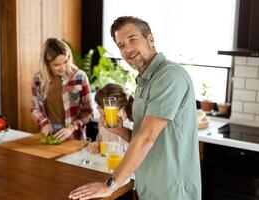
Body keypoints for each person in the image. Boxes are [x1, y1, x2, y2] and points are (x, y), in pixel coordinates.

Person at [69, 16, 201, 200]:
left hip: (171, 190)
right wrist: (120, 130)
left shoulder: (169, 76)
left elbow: (147, 138)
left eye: (132, 39)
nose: (128, 49)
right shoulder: (144, 82)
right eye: (121, 45)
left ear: (150, 39)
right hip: (148, 187)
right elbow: (144, 138)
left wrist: (111, 184)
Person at [31, 38, 93, 142]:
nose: (63, 68)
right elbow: (35, 109)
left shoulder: (79, 77)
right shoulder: (38, 79)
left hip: (74, 137)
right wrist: (44, 123)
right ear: (47, 63)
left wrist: (72, 127)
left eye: (65, 61)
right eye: (56, 65)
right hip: (49, 136)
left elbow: (88, 112)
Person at [88, 83, 133, 154]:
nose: (100, 110)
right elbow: (101, 140)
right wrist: (96, 144)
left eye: (103, 107)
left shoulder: (129, 125)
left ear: (117, 108)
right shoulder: (103, 121)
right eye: (99, 106)